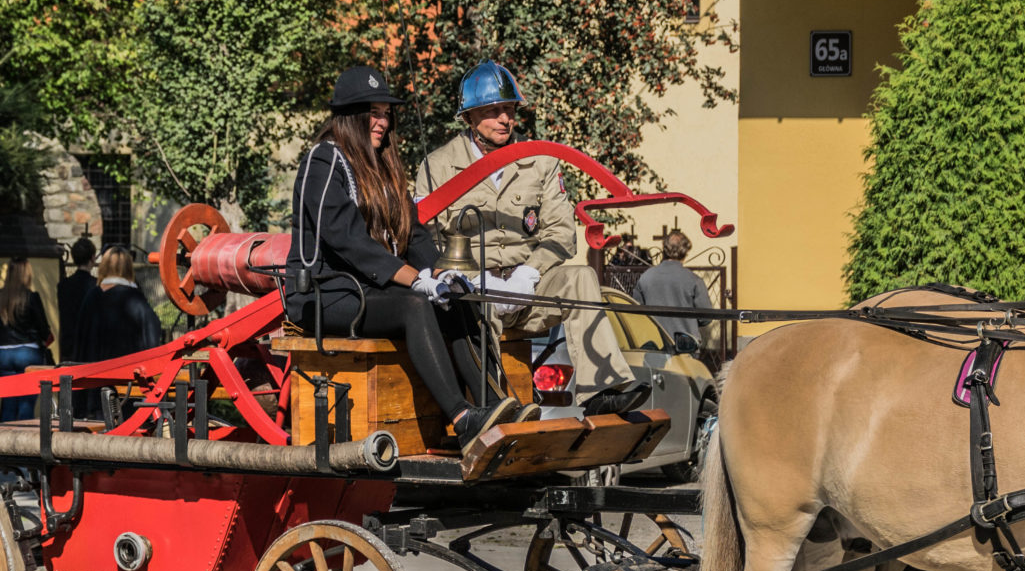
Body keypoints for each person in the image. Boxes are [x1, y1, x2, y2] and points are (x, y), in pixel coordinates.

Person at [287, 64, 521, 442]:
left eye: (386, 113)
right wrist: (415, 279)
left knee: (457, 299)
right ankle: (462, 419)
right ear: (350, 115)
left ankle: (494, 406)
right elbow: (348, 241)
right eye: (373, 113)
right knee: (414, 305)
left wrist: (441, 274)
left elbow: (413, 234)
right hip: (324, 292)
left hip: (372, 290)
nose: (382, 122)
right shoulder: (324, 161)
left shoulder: (383, 164)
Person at [412, 60, 645, 416]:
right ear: (469, 117)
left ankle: (601, 391)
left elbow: (561, 231)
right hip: (473, 289)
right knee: (475, 307)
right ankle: (495, 407)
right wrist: (473, 280)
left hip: (528, 288)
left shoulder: (540, 162)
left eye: (510, 109)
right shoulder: (437, 166)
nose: (505, 119)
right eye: (493, 111)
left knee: (581, 277)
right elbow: (426, 239)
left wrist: (528, 274)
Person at [72, 245, 165, 363]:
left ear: (103, 267)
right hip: (128, 370)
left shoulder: (92, 296)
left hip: (95, 370)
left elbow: (81, 341)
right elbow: (151, 333)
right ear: (128, 268)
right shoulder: (135, 298)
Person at [0, 256, 55, 421]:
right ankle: (24, 436)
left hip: (5, 353)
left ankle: (4, 436)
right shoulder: (31, 297)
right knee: (26, 404)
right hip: (28, 351)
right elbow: (43, 327)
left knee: (8, 403)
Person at [634, 229, 715, 354]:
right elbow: (706, 317)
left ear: (664, 250)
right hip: (685, 347)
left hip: (653, 346)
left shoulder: (645, 277)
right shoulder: (693, 280)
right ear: (685, 252)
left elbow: (636, 312)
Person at [56, 235, 98, 363]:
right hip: (90, 344)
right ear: (92, 258)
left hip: (69, 343)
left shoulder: (63, 285)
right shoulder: (96, 285)